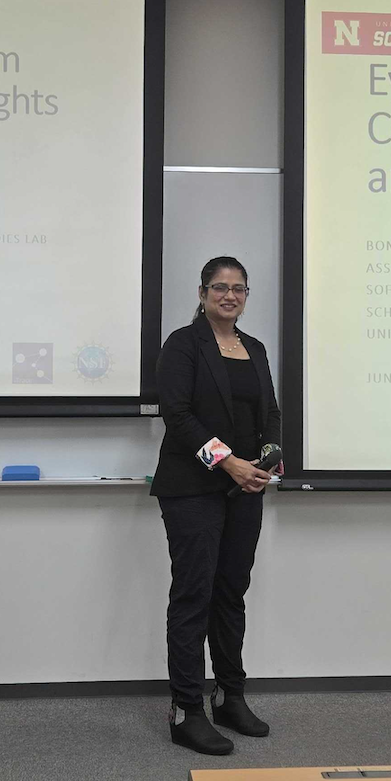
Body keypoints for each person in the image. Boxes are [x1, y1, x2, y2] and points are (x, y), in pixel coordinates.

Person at [151, 256, 281, 755]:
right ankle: (186, 710)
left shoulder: (255, 348)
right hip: (192, 488)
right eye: (220, 287)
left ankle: (230, 696)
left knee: (231, 594)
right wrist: (229, 464)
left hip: (245, 489)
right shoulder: (183, 344)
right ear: (203, 293)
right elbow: (177, 415)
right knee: (194, 596)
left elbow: (270, 413)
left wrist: (266, 460)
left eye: (239, 288)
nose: (230, 296)